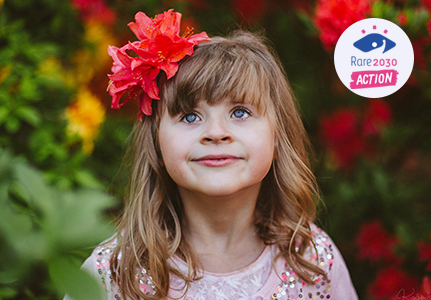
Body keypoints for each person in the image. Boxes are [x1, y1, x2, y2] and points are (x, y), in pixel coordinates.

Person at [67, 9, 358, 300]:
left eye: (240, 112)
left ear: (277, 134)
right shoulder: (114, 270)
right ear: (156, 140)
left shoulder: (313, 261)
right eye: (191, 117)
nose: (216, 132)